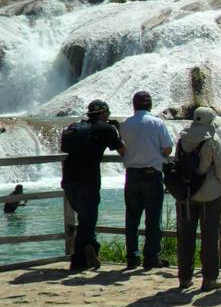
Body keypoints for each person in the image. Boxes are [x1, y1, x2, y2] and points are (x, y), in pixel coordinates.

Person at [60, 100, 125, 270]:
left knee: (84, 218)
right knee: (87, 219)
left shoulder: (75, 126)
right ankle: (79, 260)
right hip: (88, 179)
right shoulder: (106, 129)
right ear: (104, 114)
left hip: (68, 177)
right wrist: (118, 131)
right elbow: (122, 150)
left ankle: (91, 248)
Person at [174, 107, 221, 291]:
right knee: (209, 237)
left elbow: (177, 163)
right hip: (209, 195)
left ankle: (184, 278)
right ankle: (209, 279)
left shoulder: (182, 140)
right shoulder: (212, 141)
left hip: (186, 195)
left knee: (185, 236)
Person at [119, 90, 174, 270]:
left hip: (132, 175)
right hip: (152, 174)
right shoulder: (157, 123)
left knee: (132, 218)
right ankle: (151, 258)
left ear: (134, 105)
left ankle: (132, 257)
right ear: (150, 105)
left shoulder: (125, 124)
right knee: (153, 219)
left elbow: (123, 148)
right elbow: (167, 149)